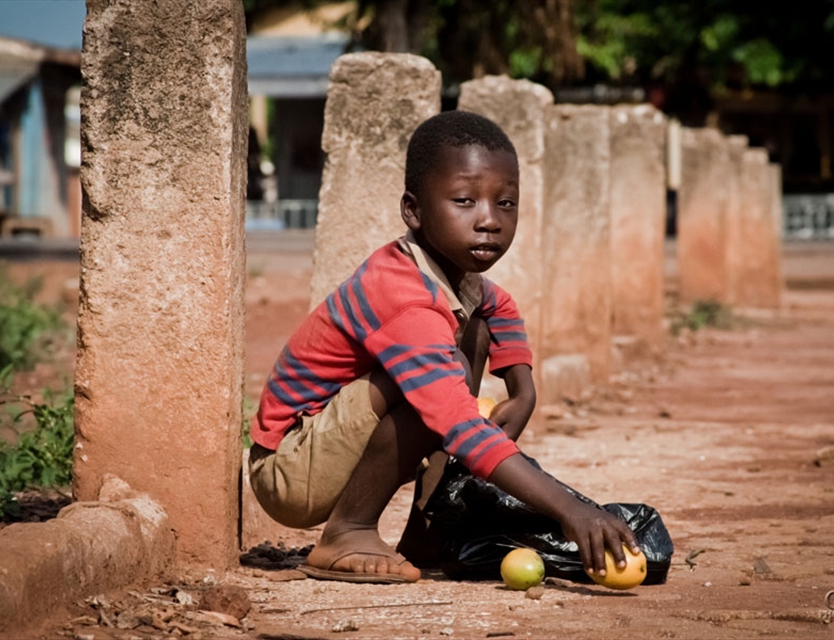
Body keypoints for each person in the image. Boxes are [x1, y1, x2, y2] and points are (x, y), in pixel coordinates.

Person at [248, 110, 639, 583]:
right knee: (432, 388)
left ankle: (424, 533)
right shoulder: (403, 295)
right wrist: (570, 510)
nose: (489, 220)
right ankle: (346, 532)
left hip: (327, 449)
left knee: (469, 335)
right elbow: (455, 422)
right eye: (464, 201)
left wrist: (523, 386)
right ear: (413, 210)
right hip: (289, 471)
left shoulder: (454, 277)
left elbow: (501, 307)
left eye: (506, 203)